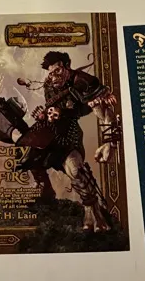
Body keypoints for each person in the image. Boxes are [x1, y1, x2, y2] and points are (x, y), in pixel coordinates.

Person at [16, 51, 122, 232]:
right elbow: (52, 109)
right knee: (27, 153)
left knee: (76, 171)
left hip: (68, 133)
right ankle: (45, 191)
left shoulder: (84, 82)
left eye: (57, 71)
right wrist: (44, 114)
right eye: (50, 73)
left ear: (66, 66)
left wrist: (109, 143)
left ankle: (92, 210)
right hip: (49, 131)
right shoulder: (49, 84)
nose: (54, 77)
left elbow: (105, 112)